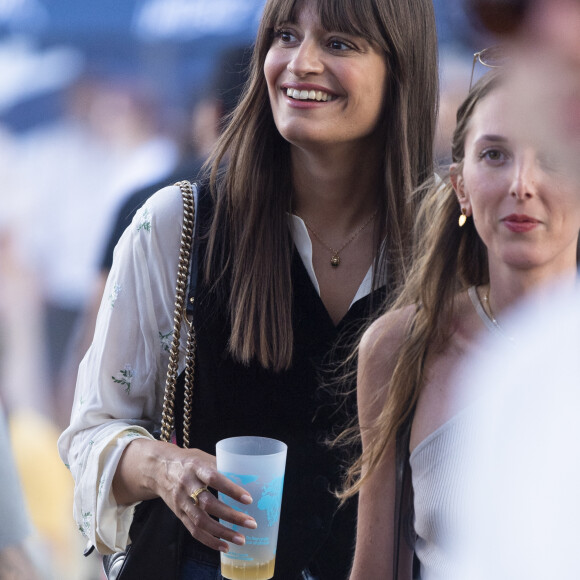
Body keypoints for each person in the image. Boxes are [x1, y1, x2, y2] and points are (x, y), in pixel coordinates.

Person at [57, 0, 439, 579]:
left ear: (401, 68)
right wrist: (166, 468)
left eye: (339, 44)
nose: (301, 62)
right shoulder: (178, 223)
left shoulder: (448, 244)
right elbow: (89, 434)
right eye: (286, 35)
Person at [344, 68, 580, 580]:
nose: (523, 184)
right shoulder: (402, 346)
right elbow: (375, 570)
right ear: (461, 187)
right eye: (495, 154)